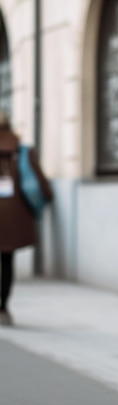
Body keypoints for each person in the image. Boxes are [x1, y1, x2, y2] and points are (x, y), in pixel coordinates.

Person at [0, 110, 53, 326]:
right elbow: (40, 182)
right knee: (7, 261)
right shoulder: (21, 150)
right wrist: (46, 199)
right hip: (15, 217)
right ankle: (3, 308)